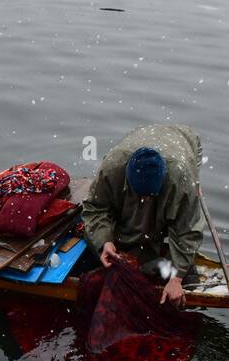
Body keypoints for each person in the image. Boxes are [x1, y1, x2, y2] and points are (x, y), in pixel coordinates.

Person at [81, 123, 206, 308]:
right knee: (126, 224)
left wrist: (176, 278)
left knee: (178, 211)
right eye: (140, 195)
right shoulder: (112, 168)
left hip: (185, 144)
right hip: (142, 138)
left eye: (149, 196)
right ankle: (138, 251)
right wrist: (104, 241)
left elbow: (187, 230)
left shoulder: (181, 178)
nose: (144, 200)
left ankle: (163, 259)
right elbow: (95, 208)